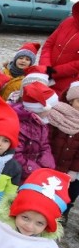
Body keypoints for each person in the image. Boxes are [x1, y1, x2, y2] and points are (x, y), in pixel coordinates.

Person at [47, 81, 79, 221]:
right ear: (71, 101)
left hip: (69, 167)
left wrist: (73, 170)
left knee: (67, 193)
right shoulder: (57, 115)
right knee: (47, 189)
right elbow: (47, 140)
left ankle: (62, 212)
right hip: (51, 161)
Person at [13, 82, 57, 183]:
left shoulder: (42, 122)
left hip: (34, 172)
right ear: (42, 108)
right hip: (21, 175)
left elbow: (45, 145)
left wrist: (47, 166)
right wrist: (35, 171)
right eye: (52, 107)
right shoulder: (20, 125)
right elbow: (16, 154)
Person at [39, 2, 79, 98]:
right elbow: (49, 44)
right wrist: (46, 67)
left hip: (67, 86)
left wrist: (55, 72)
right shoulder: (68, 22)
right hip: (45, 77)